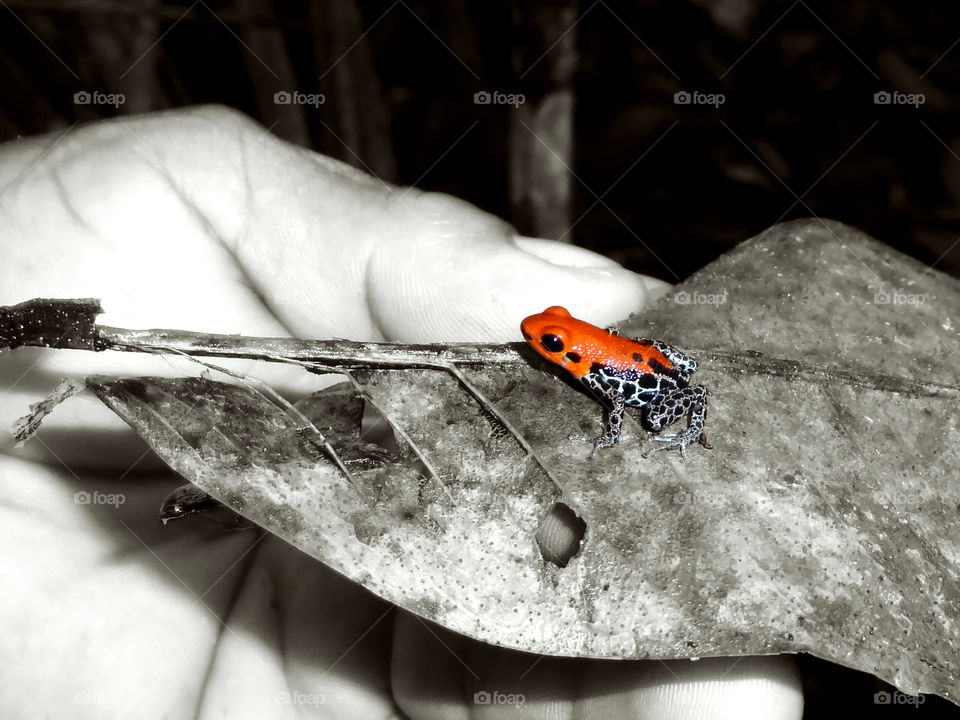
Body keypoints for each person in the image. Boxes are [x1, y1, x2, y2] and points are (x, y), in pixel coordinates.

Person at [0, 105, 802, 718]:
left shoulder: (596, 365)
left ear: (572, 351)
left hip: (654, 381)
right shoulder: (574, 349)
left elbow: (617, 393)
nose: (543, 345)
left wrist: (626, 421)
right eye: (552, 342)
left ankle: (684, 422)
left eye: (554, 348)